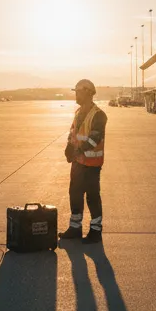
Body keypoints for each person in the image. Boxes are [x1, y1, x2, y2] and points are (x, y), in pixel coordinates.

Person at [60, 78, 106, 244]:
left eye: (79, 91)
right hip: (78, 164)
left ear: (88, 92)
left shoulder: (99, 115)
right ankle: (75, 228)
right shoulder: (78, 113)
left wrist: (78, 151)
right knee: (75, 195)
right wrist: (68, 147)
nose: (76, 95)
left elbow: (94, 139)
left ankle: (95, 231)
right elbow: (73, 133)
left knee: (92, 197)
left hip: (92, 165)